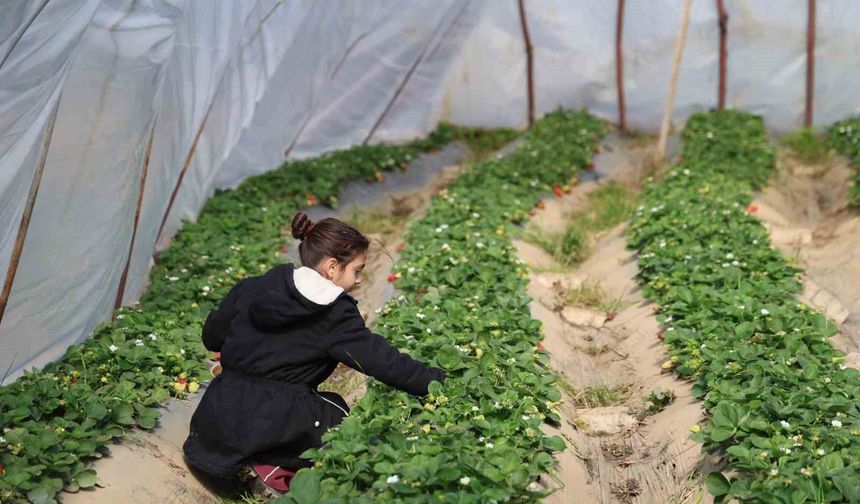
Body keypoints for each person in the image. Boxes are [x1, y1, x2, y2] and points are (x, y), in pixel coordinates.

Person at [183, 211, 445, 496]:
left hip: (210, 429)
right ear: (332, 267)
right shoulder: (333, 312)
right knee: (337, 416)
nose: (358, 280)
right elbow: (383, 361)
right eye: (357, 270)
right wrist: (438, 383)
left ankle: (250, 459)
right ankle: (267, 467)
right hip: (268, 419)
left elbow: (212, 337)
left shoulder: (252, 287)